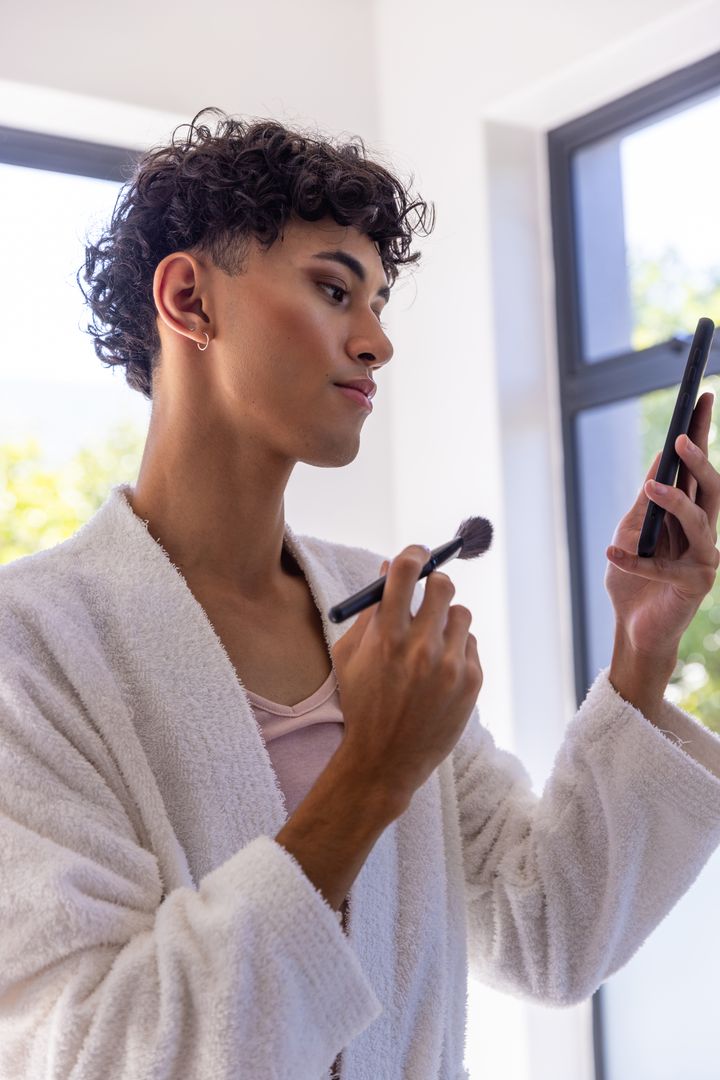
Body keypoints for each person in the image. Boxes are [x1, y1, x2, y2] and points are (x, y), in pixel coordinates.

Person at [2, 106, 720, 1080]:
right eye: (335, 290)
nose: (377, 342)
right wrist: (370, 771)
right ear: (188, 300)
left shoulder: (376, 607)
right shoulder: (31, 650)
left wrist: (643, 648)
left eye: (378, 301)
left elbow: (547, 931)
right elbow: (102, 1052)